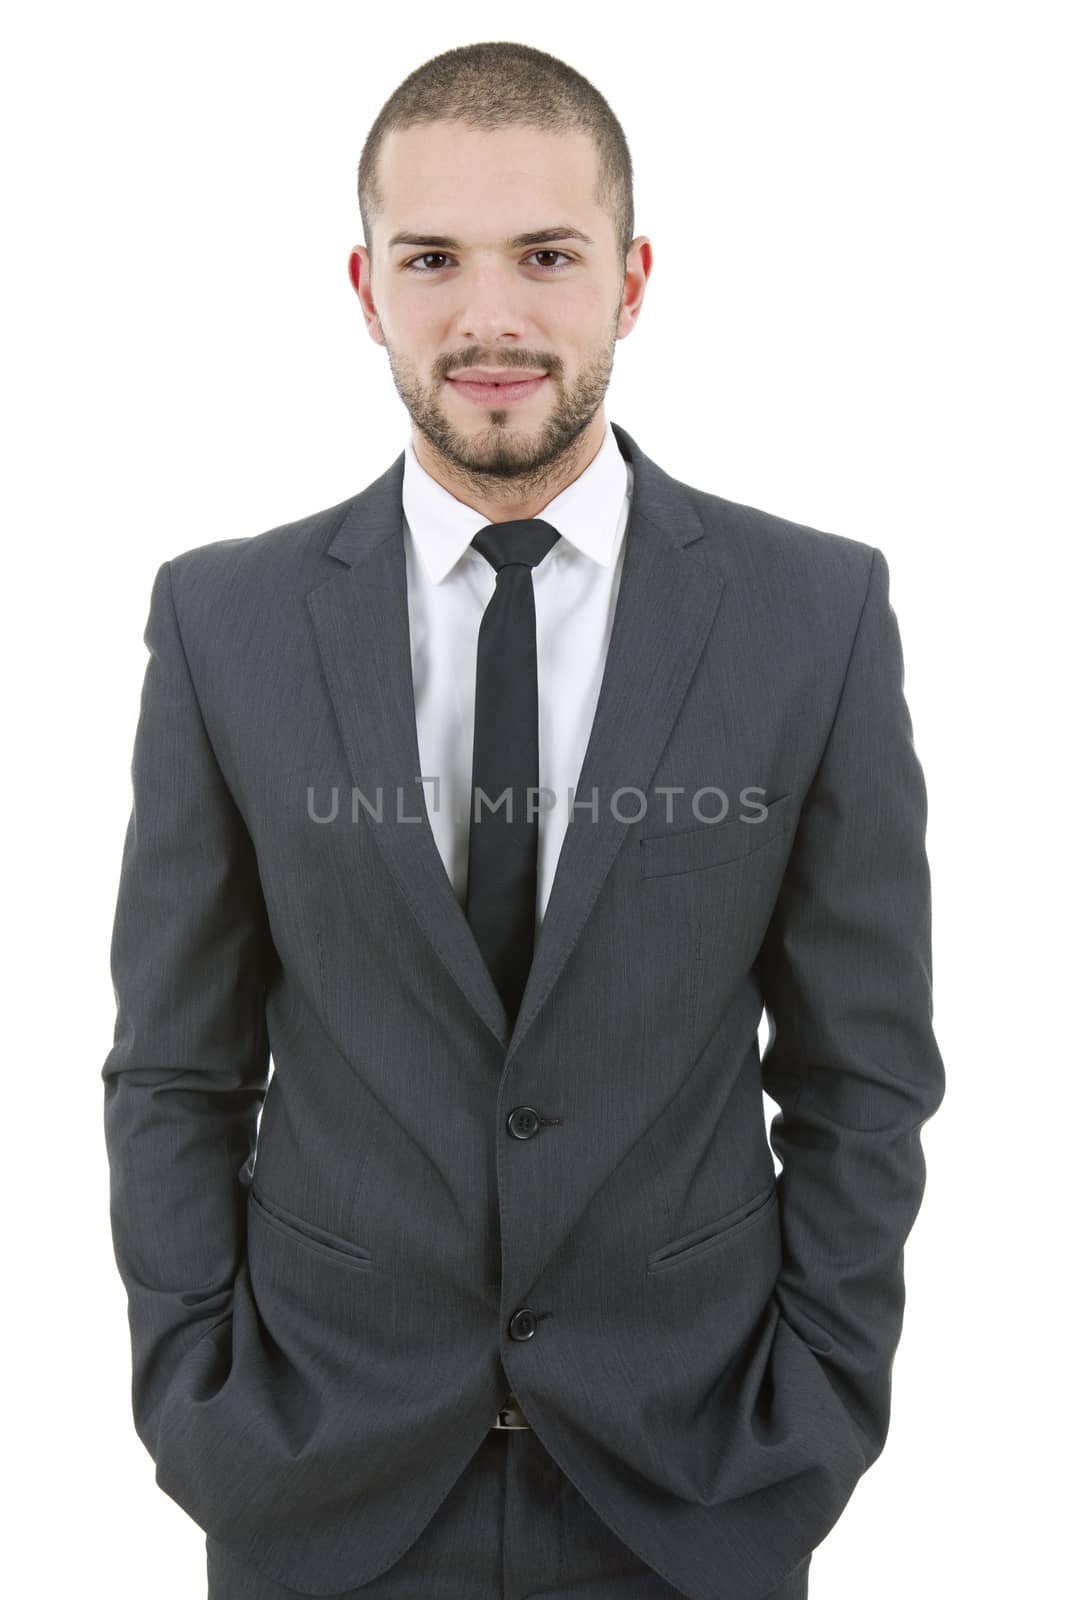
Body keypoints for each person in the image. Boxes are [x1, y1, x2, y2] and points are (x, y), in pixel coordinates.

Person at [102, 40, 945, 1600]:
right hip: (315, 1486)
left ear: (630, 279)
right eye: (434, 260)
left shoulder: (811, 614)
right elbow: (174, 1063)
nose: (489, 318)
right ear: (367, 287)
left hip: (693, 1486)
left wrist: (813, 1417)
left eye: (545, 257)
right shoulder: (224, 622)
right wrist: (197, 1403)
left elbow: (863, 1073)